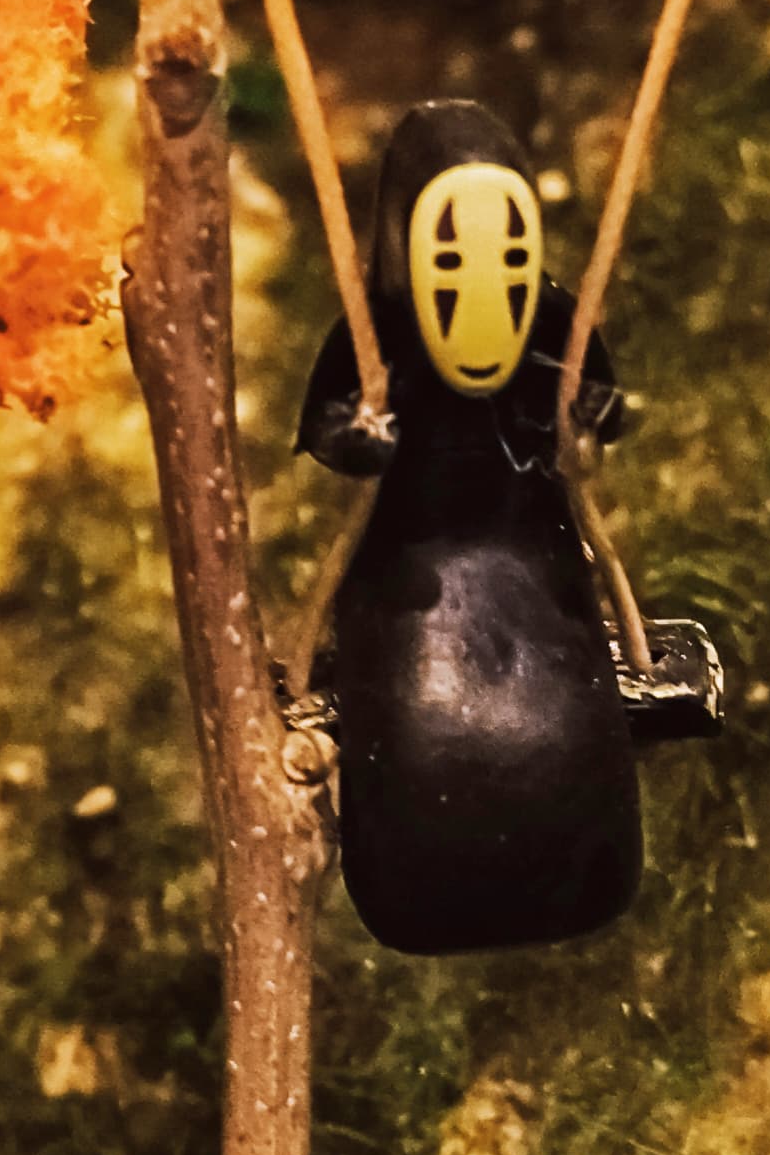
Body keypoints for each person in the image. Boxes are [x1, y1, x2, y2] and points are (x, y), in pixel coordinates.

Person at [291, 101, 718, 955]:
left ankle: (580, 863)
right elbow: (325, 427)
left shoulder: (553, 321)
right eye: (450, 263)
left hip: (526, 534)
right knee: (422, 726)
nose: (481, 287)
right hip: (412, 552)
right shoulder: (377, 335)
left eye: (509, 260)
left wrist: (590, 415)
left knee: (563, 709)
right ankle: (426, 880)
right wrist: (360, 439)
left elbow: (601, 393)